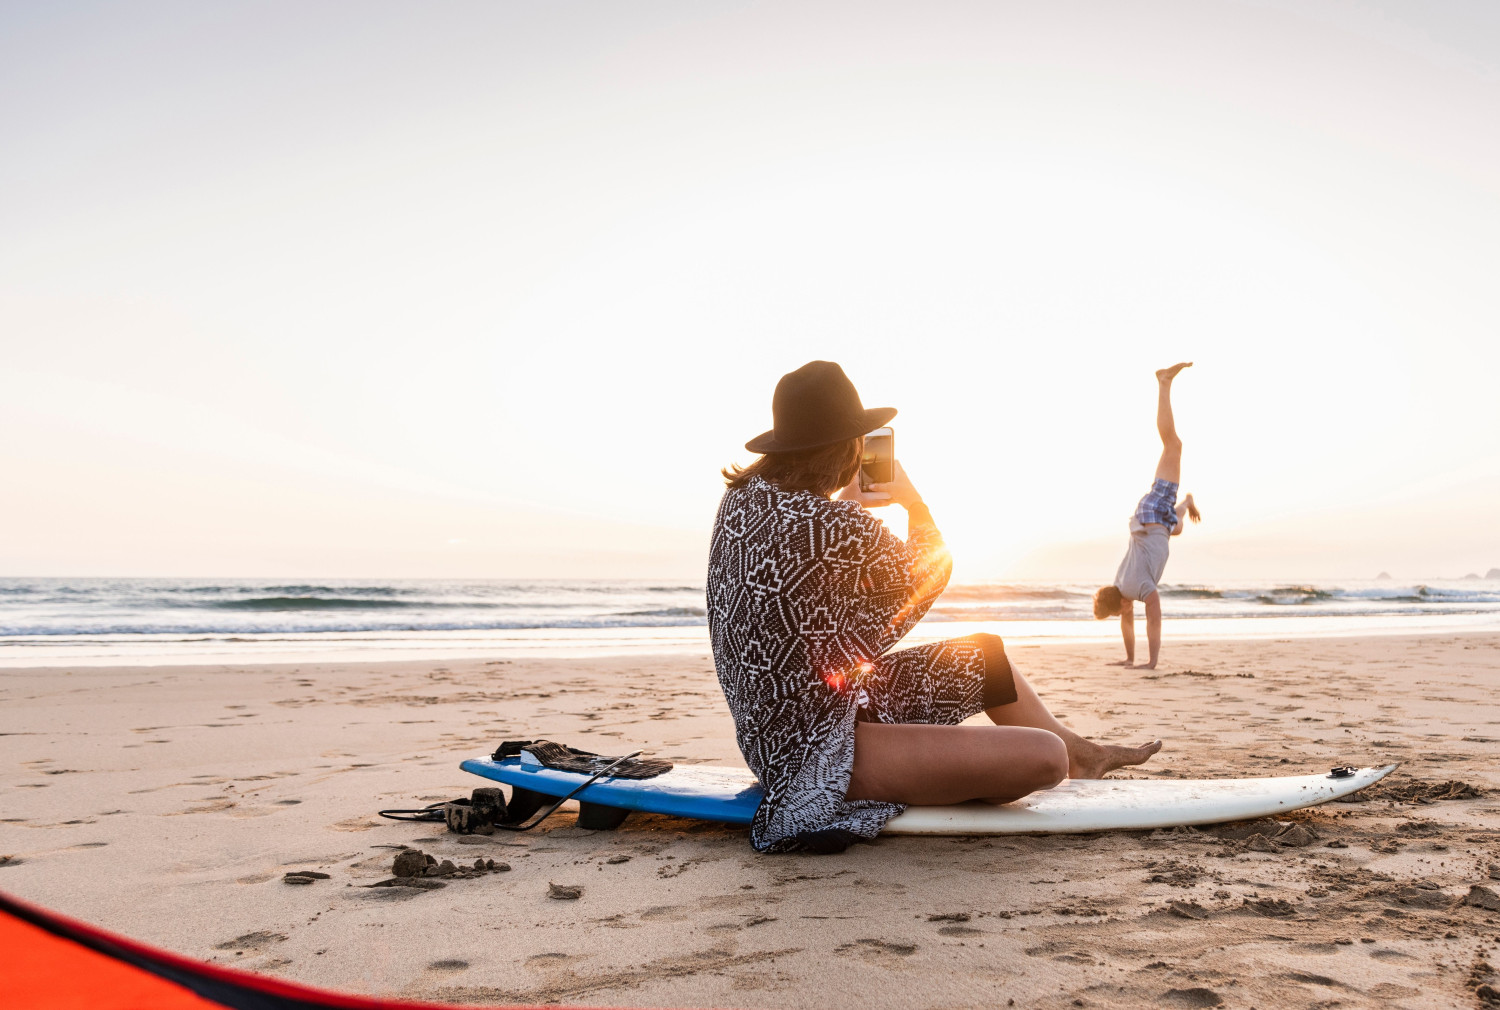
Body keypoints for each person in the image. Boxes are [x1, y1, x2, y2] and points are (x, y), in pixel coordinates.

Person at [707, 360, 1161, 854]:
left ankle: (1083, 754)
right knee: (1042, 759)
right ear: (848, 447)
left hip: (773, 734)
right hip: (815, 756)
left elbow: (811, 608)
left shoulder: (742, 502)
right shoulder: (837, 525)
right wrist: (911, 502)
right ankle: (1060, 755)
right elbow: (928, 574)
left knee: (985, 656)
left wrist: (845, 499)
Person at [1092, 362, 1203, 670]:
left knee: (1173, 444)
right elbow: (1126, 620)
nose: (1122, 615)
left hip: (1153, 512)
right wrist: (1129, 659)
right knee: (1177, 528)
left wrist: (1151, 662)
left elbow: (1153, 614)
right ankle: (1187, 502)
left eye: (1118, 613)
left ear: (1121, 603)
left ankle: (1163, 382)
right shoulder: (1119, 586)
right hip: (1159, 522)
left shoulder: (1137, 586)